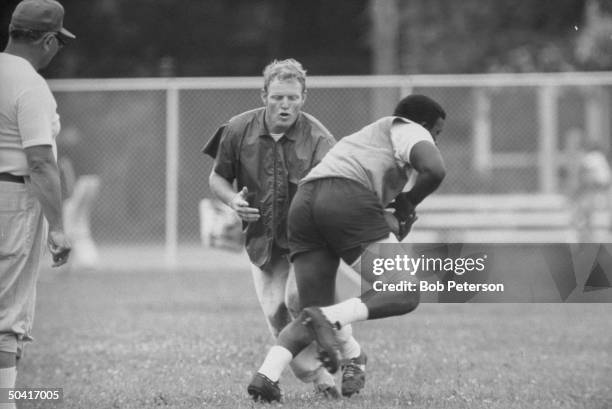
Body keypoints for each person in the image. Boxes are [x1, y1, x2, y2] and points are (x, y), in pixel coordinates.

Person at [247, 94, 447, 402]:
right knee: (405, 290)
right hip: (344, 197)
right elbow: (435, 170)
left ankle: (267, 376)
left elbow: (356, 212)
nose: (435, 140)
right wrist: (408, 201)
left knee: (316, 313)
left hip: (305, 203)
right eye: (437, 132)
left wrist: (392, 220)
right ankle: (346, 346)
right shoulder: (408, 128)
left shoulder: (365, 142)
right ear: (422, 124)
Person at [205, 59, 366, 400]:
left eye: (293, 97)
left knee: (299, 299)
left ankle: (352, 354)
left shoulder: (320, 138)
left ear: (304, 97)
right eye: (278, 97)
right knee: (278, 315)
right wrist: (233, 200)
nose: (286, 104)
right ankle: (324, 375)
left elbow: (336, 189)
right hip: (262, 241)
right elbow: (217, 177)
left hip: (308, 240)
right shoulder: (237, 129)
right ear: (264, 95)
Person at [0, 0, 73, 407]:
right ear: (47, 39)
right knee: (6, 312)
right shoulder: (29, 84)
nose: (57, 50)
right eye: (58, 43)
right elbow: (41, 161)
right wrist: (59, 229)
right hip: (11, 196)